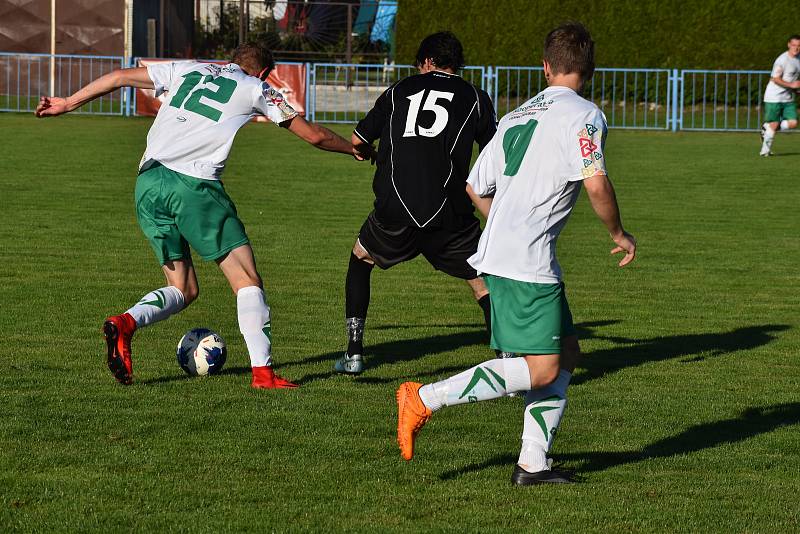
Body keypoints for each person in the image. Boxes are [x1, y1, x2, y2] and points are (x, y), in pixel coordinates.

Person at [35, 42, 369, 388]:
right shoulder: (257, 87)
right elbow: (313, 135)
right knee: (247, 280)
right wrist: (354, 149)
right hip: (193, 186)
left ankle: (125, 323)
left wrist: (68, 103)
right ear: (264, 72)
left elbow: (120, 76)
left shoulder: (189, 68)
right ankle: (264, 375)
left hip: (148, 182)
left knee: (183, 288)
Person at [395, 23, 637, 485]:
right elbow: (595, 181)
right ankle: (425, 397)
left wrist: (506, 221)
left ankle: (533, 463)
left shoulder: (516, 114)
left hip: (506, 250)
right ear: (591, 68)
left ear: (545, 66)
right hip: (525, 259)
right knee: (543, 366)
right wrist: (619, 232)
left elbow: (473, 184)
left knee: (565, 354)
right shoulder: (584, 115)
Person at [334, 31, 497, 375]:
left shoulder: (398, 91)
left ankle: (353, 354)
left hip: (396, 208)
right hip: (449, 211)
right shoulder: (475, 97)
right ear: (457, 64)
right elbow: (493, 155)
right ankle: (508, 361)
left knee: (361, 258)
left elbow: (358, 139)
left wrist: (365, 152)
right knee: (483, 280)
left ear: (425, 62)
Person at [760, 35, 800, 156]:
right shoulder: (782, 60)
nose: (796, 48)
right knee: (774, 124)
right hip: (774, 97)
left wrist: (795, 90)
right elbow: (775, 78)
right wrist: (792, 85)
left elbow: (792, 79)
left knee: (793, 123)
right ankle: (765, 151)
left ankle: (767, 128)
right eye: (794, 45)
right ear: (788, 45)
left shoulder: (798, 59)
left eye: (799, 46)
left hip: (787, 98)